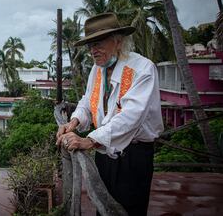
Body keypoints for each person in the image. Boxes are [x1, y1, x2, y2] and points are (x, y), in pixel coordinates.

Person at [56, 12, 164, 216]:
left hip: (133, 154)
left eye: (98, 43)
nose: (92, 50)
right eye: (90, 45)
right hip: (103, 151)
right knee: (102, 204)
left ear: (117, 41)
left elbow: (131, 117)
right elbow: (87, 101)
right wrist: (74, 122)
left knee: (128, 209)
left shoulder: (142, 69)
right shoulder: (98, 69)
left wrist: (89, 140)